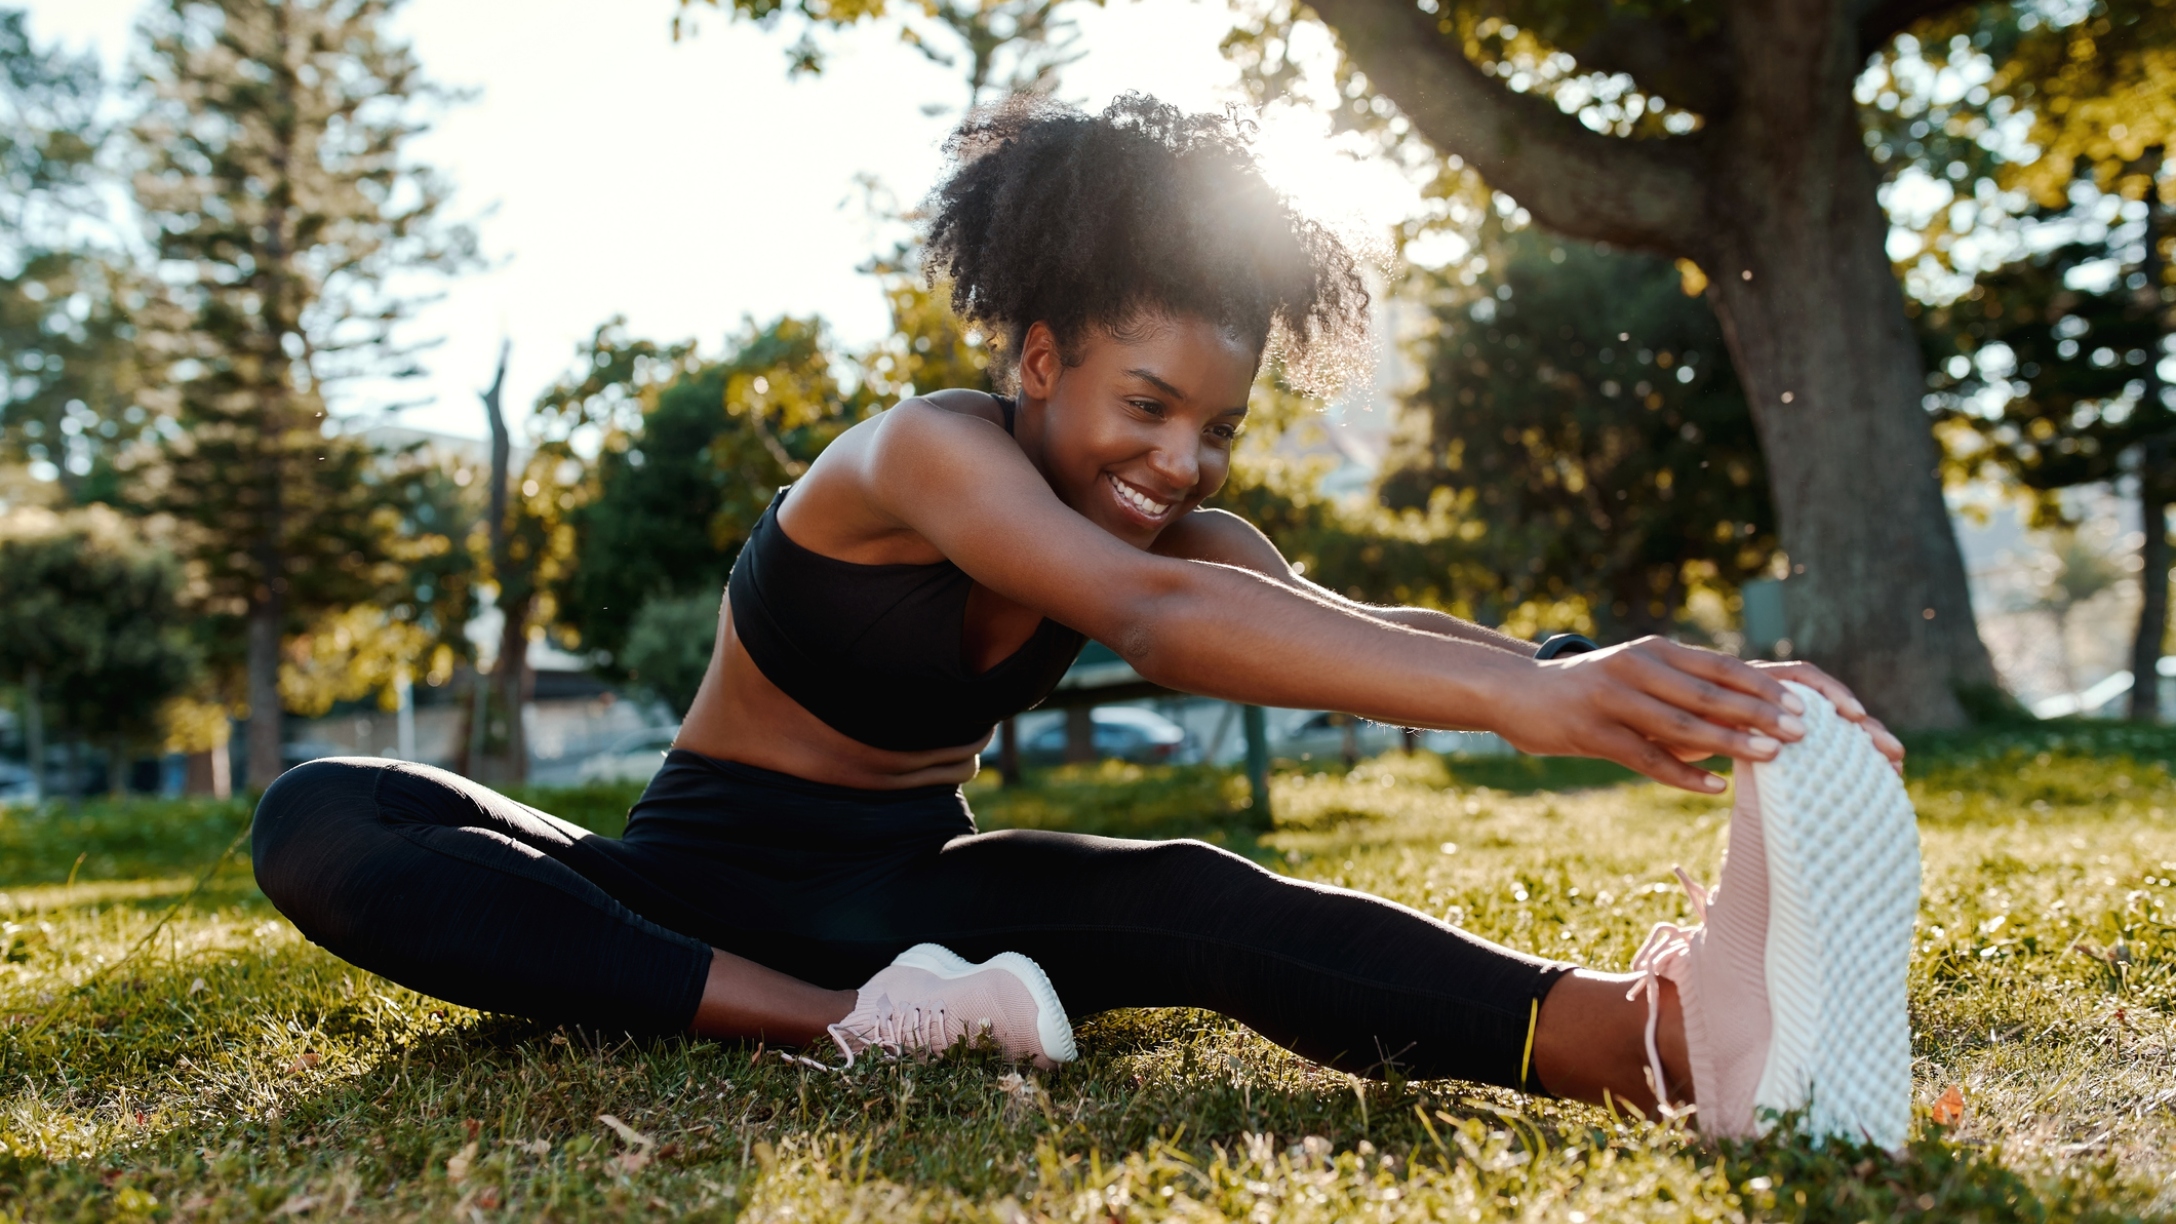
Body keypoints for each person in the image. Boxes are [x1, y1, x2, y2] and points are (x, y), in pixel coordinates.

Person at [253, 94, 1908, 1128]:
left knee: (1197, 894)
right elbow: (1151, 617)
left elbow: (1345, 626)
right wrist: (1533, 710)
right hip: (686, 896)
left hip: (926, 896)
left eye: (1214, 427)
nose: (1175, 460)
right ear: (1037, 358)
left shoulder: (1188, 521)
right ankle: (859, 1033)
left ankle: (1672, 1044)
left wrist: (1638, 682)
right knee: (327, 817)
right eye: (1142, 402)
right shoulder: (920, 454)